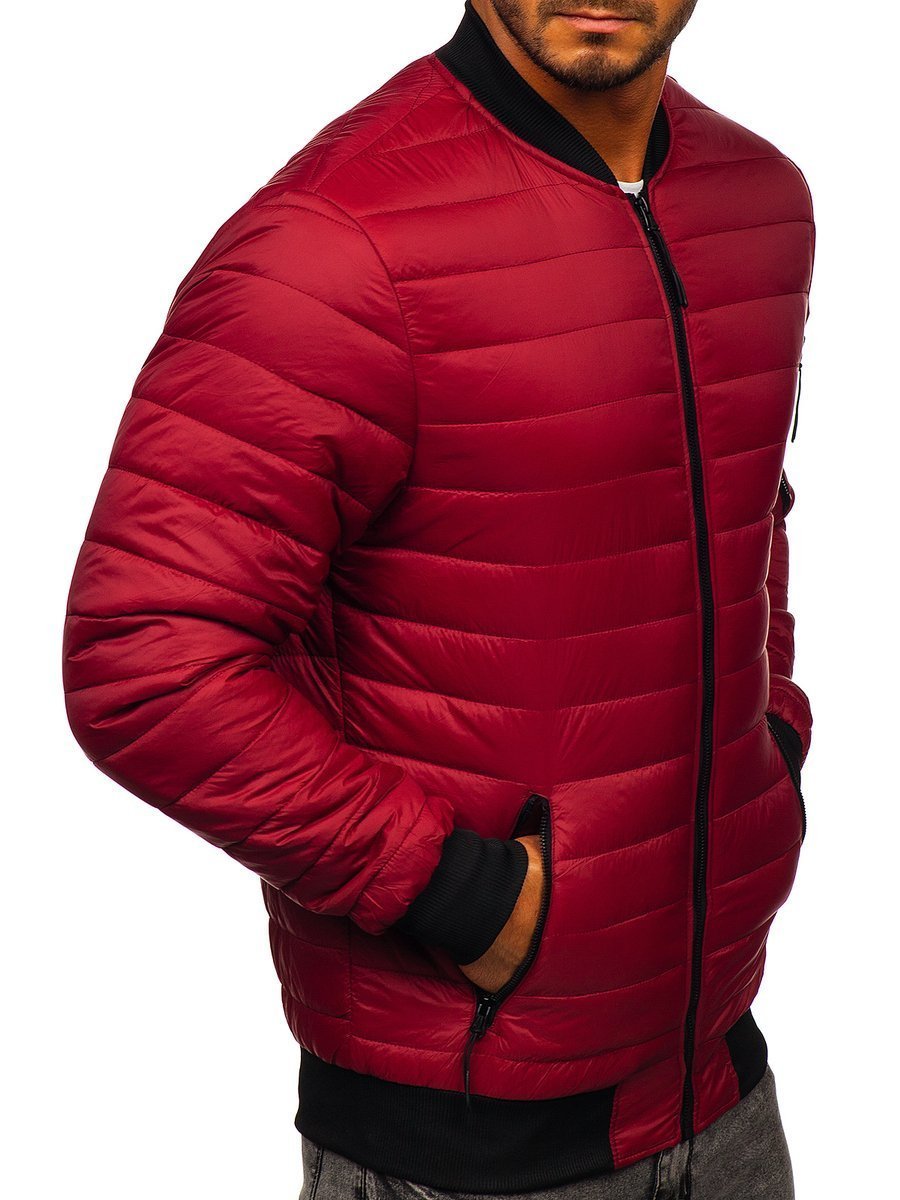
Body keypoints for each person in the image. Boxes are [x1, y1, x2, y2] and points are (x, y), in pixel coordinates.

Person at [62, 1, 814, 1197]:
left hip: (724, 1083)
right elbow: (144, 656)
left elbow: (747, 505)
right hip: (459, 1137)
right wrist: (461, 894)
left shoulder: (759, 202)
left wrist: (771, 742)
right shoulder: (336, 241)